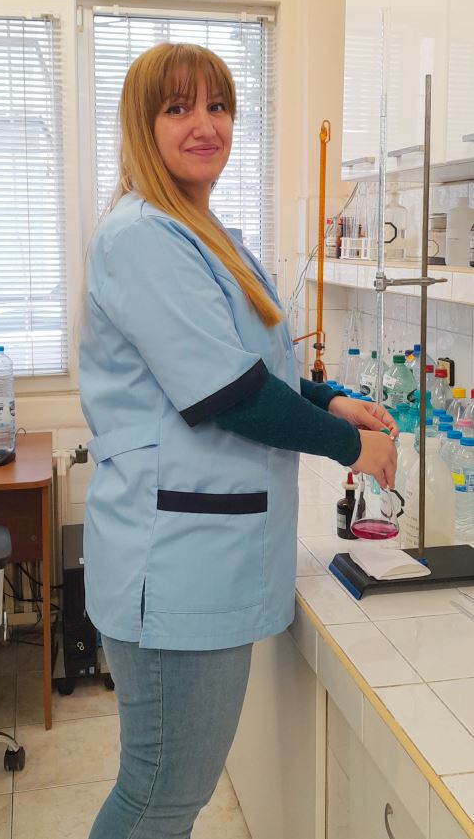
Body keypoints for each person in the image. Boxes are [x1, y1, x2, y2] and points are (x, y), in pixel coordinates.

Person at [79, 42, 397, 839]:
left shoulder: (201, 230)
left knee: (163, 793)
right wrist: (346, 445)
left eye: (217, 105)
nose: (205, 124)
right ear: (142, 124)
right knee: (158, 795)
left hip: (196, 550)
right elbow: (228, 393)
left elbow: (252, 363)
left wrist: (332, 399)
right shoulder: (142, 236)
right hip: (174, 561)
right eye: (178, 108)